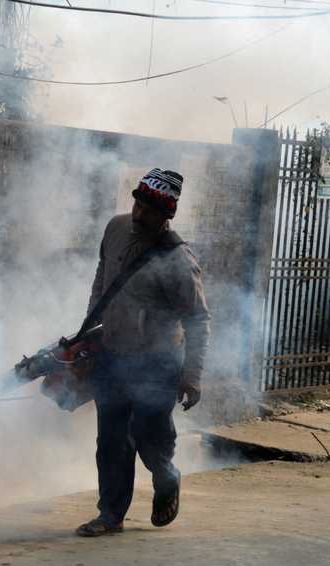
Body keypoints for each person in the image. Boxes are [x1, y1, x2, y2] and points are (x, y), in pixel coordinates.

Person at [75, 168, 210, 537]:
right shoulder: (116, 228)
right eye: (137, 203)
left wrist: (192, 375)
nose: (138, 214)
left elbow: (198, 320)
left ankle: (167, 479)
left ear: (167, 216)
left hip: (157, 363)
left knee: (151, 442)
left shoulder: (179, 261)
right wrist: (88, 333)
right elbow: (102, 280)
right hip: (112, 356)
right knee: (111, 442)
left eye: (149, 210)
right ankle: (110, 515)